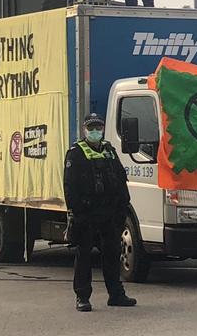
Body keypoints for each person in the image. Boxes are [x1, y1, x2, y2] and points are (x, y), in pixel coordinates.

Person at [63, 113, 136, 312]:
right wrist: (76, 212)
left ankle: (116, 294)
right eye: (91, 128)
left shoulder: (109, 150)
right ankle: (82, 297)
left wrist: (123, 206)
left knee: (112, 254)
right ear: (85, 130)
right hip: (87, 213)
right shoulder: (76, 153)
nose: (95, 131)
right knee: (84, 255)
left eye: (98, 127)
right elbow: (70, 186)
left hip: (110, 212)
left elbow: (121, 178)